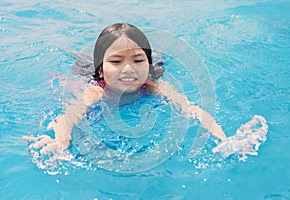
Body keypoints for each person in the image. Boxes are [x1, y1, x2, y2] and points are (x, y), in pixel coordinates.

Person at [23, 23, 228, 155]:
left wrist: (225, 139)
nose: (128, 68)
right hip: (89, 73)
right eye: (117, 61)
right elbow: (69, 116)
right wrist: (60, 142)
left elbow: (192, 109)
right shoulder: (96, 91)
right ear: (101, 71)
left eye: (138, 60)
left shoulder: (154, 86)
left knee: (159, 60)